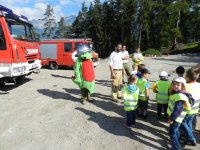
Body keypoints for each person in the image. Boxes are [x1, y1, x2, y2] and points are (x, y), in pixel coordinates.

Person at [167, 77, 191, 150]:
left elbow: (177, 109)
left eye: (178, 85)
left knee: (172, 133)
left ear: (183, 86)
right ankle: (178, 142)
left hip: (176, 118)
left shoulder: (179, 96)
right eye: (174, 84)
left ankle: (176, 148)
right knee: (176, 130)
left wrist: (171, 119)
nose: (175, 86)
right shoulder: (178, 93)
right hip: (178, 118)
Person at [181, 67, 200, 146]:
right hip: (195, 109)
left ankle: (191, 138)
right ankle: (188, 135)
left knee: (183, 122)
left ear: (187, 76)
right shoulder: (199, 85)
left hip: (187, 109)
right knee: (189, 122)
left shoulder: (186, 86)